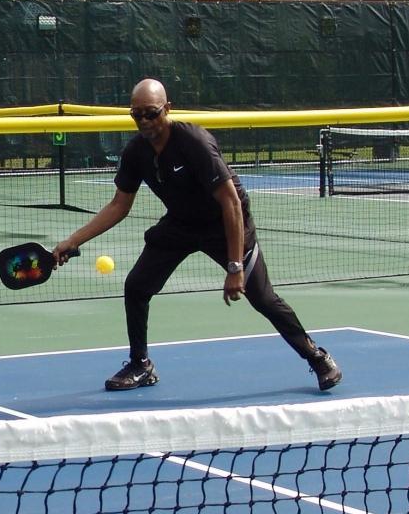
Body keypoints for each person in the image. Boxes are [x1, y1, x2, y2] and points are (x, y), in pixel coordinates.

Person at [53, 78, 342, 392]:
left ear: (168, 108)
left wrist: (235, 267)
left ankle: (316, 357)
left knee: (262, 298)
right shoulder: (136, 151)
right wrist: (73, 240)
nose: (144, 121)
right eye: (136, 115)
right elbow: (120, 205)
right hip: (181, 223)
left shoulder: (194, 143)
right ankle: (141, 365)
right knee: (136, 286)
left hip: (225, 223)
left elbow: (230, 202)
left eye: (151, 113)